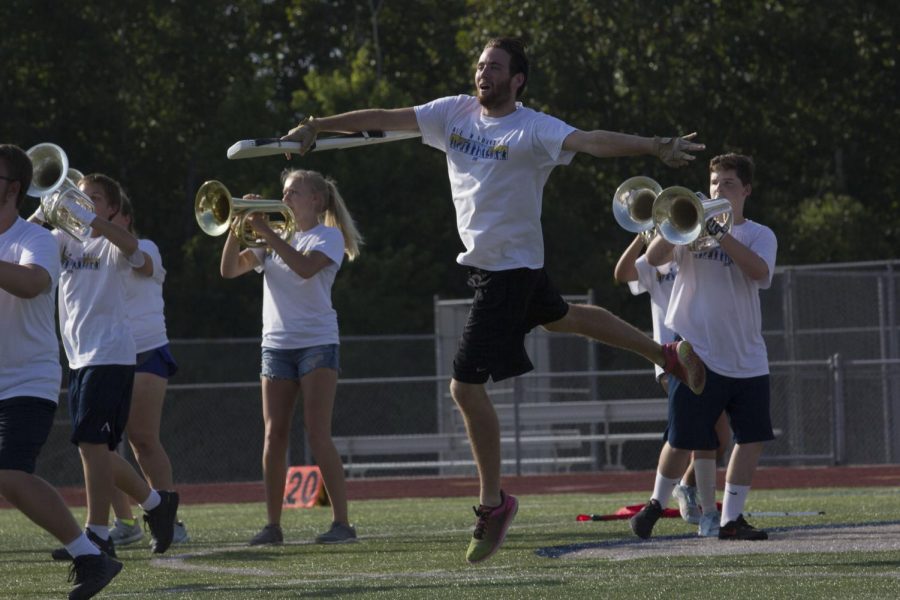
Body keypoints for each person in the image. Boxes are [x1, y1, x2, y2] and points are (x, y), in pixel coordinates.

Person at [281, 37, 707, 563]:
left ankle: (493, 502)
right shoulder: (451, 114)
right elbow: (385, 117)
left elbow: (593, 140)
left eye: (495, 67)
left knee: (464, 388)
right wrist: (318, 126)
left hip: (507, 272)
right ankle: (663, 353)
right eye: (481, 65)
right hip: (500, 267)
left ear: (518, 80)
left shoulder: (533, 127)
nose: (483, 73)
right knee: (565, 319)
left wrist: (654, 145)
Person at [30, 173, 180, 558]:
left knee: (94, 444)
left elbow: (137, 254)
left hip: (110, 355)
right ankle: (152, 506)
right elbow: (25, 243)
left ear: (114, 209)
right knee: (92, 449)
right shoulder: (64, 240)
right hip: (78, 357)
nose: (82, 203)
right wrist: (42, 211)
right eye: (79, 197)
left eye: (94, 198)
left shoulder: (113, 244)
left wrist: (92, 219)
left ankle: (98, 534)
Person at [630, 152, 777, 541]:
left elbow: (760, 272)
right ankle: (655, 504)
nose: (718, 189)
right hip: (695, 349)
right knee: (682, 436)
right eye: (714, 183)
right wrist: (678, 226)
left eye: (727, 183)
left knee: (751, 438)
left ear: (745, 189)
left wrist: (721, 233)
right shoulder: (688, 230)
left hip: (746, 354)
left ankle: (731, 519)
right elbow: (653, 259)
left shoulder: (759, 234)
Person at [0, 144, 121, 599]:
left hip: (26, 379)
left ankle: (90, 555)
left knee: (10, 474)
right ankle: (91, 557)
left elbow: (32, 283)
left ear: (14, 188)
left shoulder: (37, 240)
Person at [220, 168, 362, 546]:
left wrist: (266, 233)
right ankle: (272, 525)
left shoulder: (327, 236)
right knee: (273, 435)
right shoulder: (275, 238)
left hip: (317, 342)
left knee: (317, 433)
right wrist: (238, 228)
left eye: (293, 192)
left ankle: (342, 523)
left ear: (315, 200)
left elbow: (303, 269)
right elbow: (229, 269)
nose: (284, 198)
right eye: (284, 191)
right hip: (276, 344)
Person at [614, 234, 730, 527]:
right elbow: (621, 274)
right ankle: (703, 510)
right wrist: (641, 238)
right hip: (670, 357)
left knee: (720, 438)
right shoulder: (653, 266)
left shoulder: (693, 255)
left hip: (706, 352)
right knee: (701, 431)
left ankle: (686, 489)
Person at [106, 194, 189, 548]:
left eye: (96, 201)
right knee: (98, 444)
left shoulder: (147, 246)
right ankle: (124, 522)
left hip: (145, 351)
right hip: (106, 354)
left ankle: (169, 518)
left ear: (123, 215)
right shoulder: (89, 252)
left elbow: (141, 263)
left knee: (142, 437)